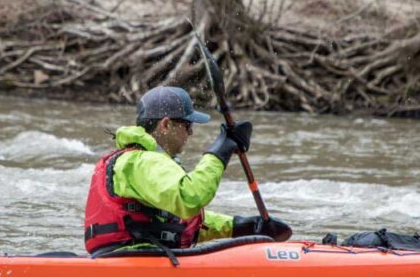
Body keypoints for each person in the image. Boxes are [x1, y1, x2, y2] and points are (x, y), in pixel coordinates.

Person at [84, 85, 292, 255]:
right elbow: (189, 197)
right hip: (136, 259)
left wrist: (240, 226)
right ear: (166, 125)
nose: (191, 133)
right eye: (187, 125)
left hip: (137, 255)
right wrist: (221, 150)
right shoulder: (143, 161)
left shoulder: (136, 161)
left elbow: (182, 221)